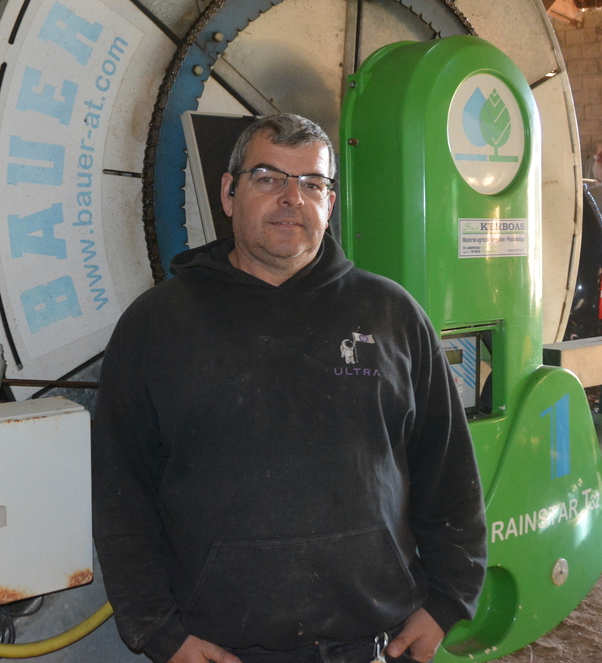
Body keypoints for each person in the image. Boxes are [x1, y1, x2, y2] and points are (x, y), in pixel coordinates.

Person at [92, 113, 487, 663]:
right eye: (268, 178)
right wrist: (160, 632)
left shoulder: (392, 314)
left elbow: (447, 471)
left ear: (329, 202)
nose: (291, 198)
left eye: (311, 184)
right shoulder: (155, 326)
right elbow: (121, 496)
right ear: (229, 192)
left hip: (376, 643)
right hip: (219, 649)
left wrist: (447, 601)